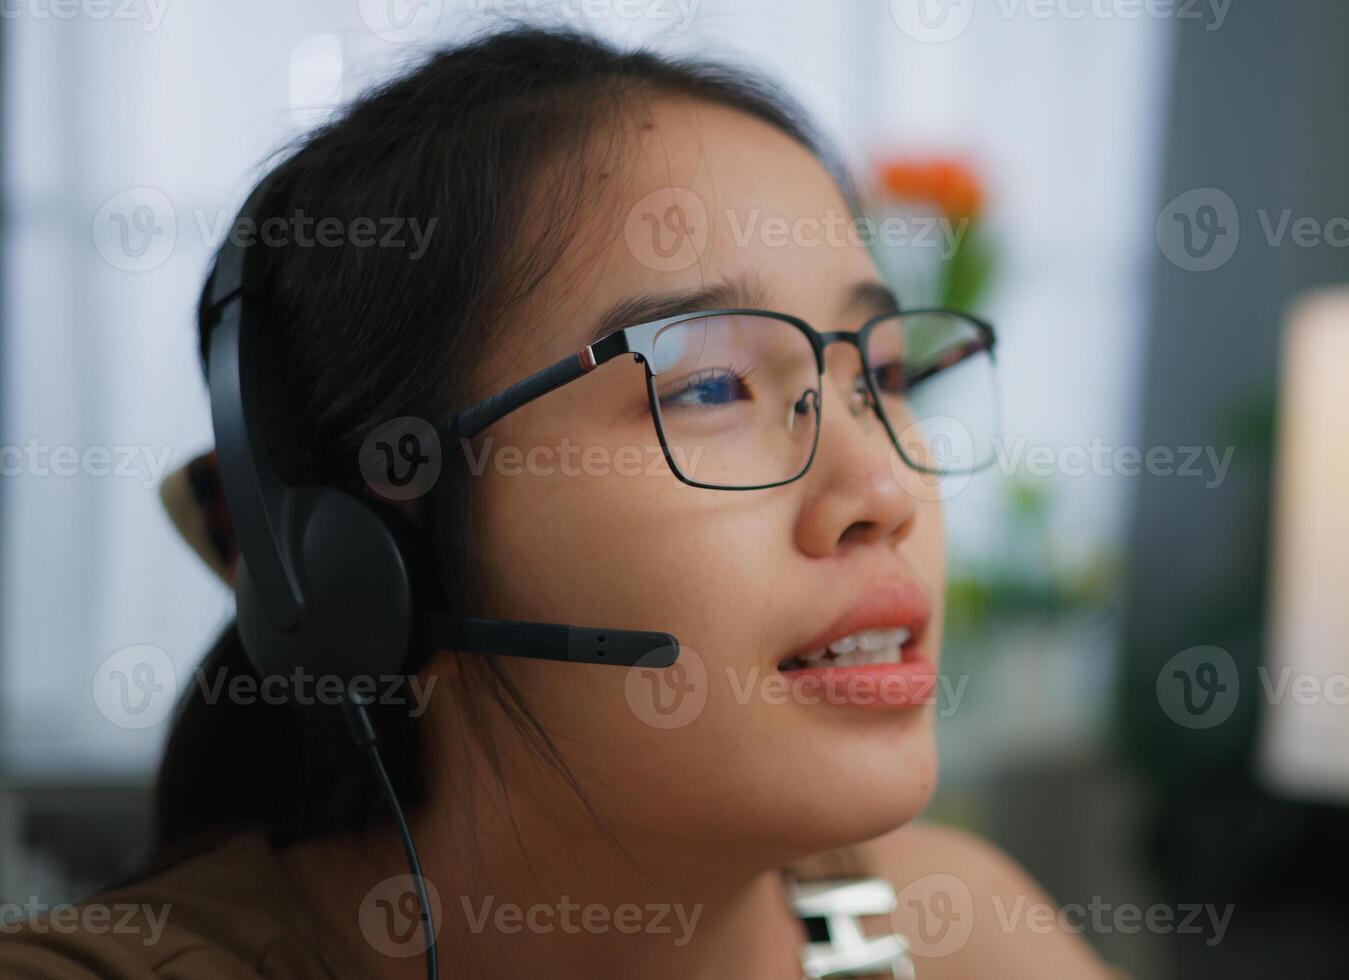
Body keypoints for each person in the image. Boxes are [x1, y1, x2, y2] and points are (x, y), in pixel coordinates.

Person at [0, 26, 1117, 980]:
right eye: (711, 385)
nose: (882, 488)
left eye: (879, 376)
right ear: (365, 564)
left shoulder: (953, 929)